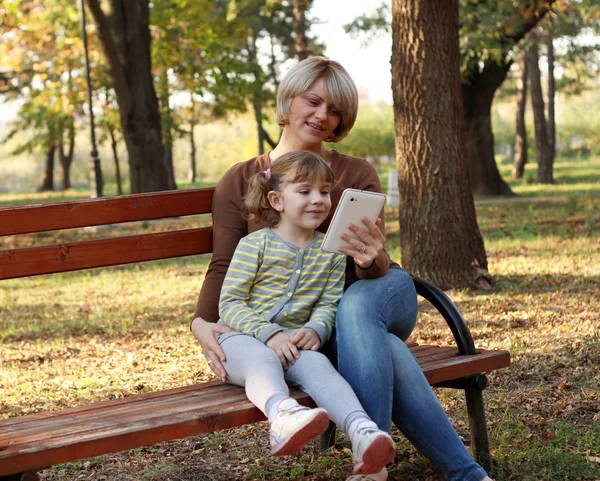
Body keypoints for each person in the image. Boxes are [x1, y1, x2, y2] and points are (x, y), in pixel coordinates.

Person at [190, 56, 494, 481]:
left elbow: (375, 266)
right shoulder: (242, 179)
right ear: (288, 101)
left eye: (335, 110)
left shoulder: (356, 172)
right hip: (314, 330)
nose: (322, 116)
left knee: (354, 306)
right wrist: (202, 323)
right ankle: (464, 474)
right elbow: (223, 264)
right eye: (312, 101)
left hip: (378, 293)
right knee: (387, 351)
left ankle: (370, 466)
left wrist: (371, 259)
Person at [216, 150, 395, 475]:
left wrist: (316, 329)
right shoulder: (255, 245)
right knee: (264, 359)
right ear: (276, 200)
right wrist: (269, 334)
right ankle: (282, 416)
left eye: (324, 192)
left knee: (321, 367)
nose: (318, 200)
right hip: (239, 342)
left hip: (294, 346)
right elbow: (229, 304)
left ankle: (362, 432)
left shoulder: (330, 252)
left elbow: (328, 303)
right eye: (304, 191)